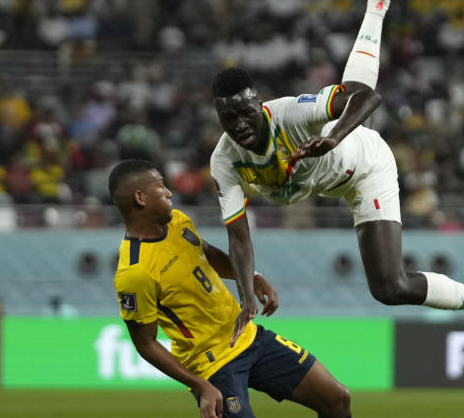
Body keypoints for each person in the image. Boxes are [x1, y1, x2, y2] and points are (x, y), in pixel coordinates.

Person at [209, 0, 464, 365]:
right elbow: (239, 238)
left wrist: (333, 136)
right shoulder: (223, 160)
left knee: (390, 286)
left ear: (260, 105)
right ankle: (376, 3)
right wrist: (245, 297)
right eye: (228, 118)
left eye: (246, 114)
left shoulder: (291, 113)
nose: (239, 125)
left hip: (365, 166)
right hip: (331, 185)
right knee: (387, 291)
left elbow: (367, 98)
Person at [110, 160, 352, 418]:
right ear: (141, 197)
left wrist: (251, 276)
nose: (170, 192)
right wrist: (200, 385)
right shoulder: (135, 272)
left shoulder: (177, 222)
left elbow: (206, 255)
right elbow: (145, 344)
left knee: (337, 399)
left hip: (248, 337)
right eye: (161, 186)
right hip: (212, 365)